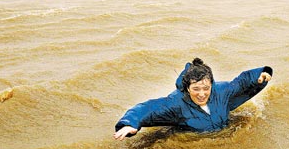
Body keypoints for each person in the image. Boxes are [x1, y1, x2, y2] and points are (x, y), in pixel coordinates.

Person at [113, 58, 273, 141]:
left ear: (212, 84)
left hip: (224, 134)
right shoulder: (176, 104)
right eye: (196, 89)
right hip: (192, 138)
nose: (202, 94)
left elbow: (241, 82)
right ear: (187, 88)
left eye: (206, 88)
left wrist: (260, 74)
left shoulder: (222, 91)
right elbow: (147, 108)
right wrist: (130, 124)